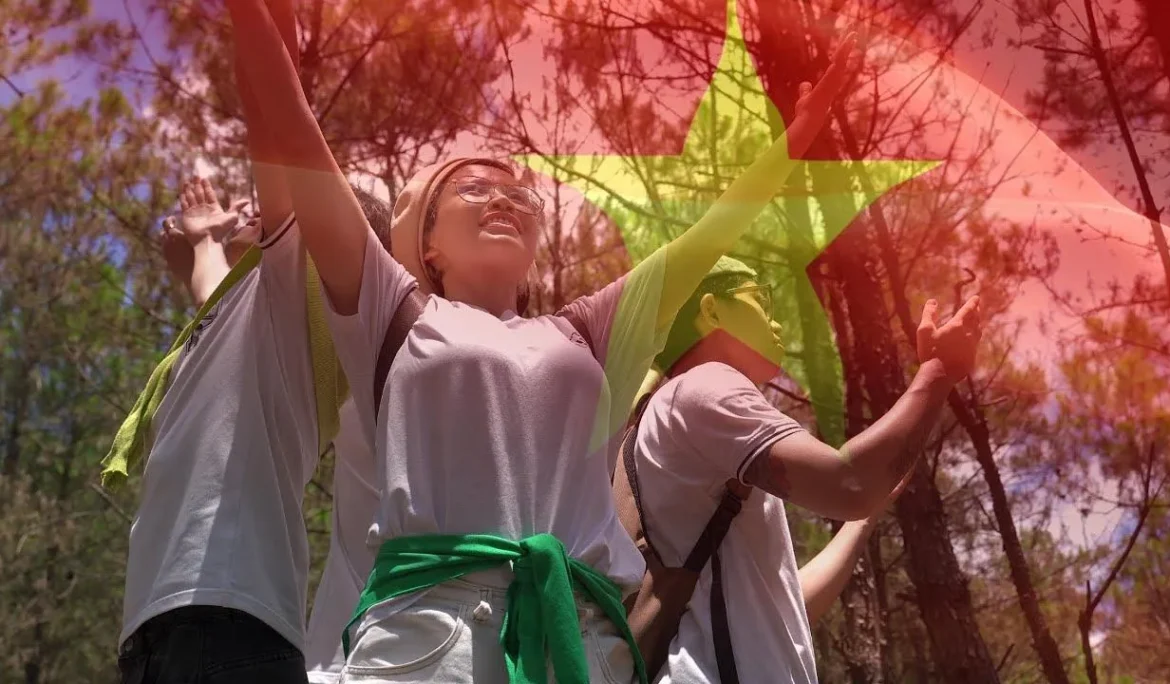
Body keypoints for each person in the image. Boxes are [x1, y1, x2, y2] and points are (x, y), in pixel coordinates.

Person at [226, 1, 858, 681]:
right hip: (428, 645)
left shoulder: (587, 333)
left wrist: (797, 138)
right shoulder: (393, 313)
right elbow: (299, 139)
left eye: (519, 195)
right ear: (428, 246)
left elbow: (710, 233)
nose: (503, 199)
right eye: (473, 188)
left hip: (579, 646)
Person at [630, 257, 980, 683]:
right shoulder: (703, 384)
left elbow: (787, 608)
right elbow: (850, 483)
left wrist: (864, 517)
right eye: (761, 300)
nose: (776, 322)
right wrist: (940, 371)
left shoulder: (668, 419)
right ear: (711, 310)